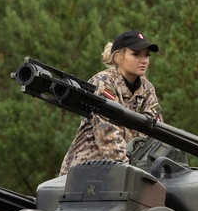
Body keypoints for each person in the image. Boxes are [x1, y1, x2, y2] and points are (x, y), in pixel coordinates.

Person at [60, 30, 163, 175]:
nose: (144, 60)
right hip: (84, 172)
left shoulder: (147, 88)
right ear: (118, 57)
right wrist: (133, 173)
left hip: (122, 174)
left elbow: (156, 130)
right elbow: (108, 135)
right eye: (136, 54)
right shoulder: (103, 82)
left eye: (146, 55)